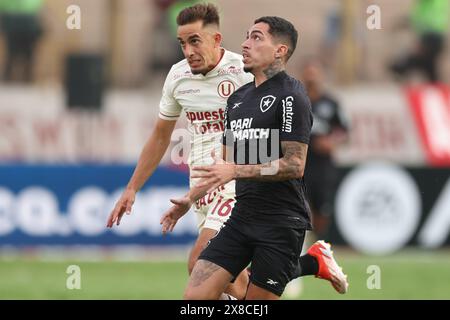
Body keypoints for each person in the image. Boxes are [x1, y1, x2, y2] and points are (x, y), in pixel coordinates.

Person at [162, 16, 348, 300]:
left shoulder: (292, 95)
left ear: (280, 50)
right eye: (247, 36)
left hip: (280, 223)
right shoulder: (238, 99)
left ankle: (313, 260)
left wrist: (235, 170)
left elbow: (294, 165)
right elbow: (222, 167)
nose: (245, 44)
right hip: (240, 219)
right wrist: (190, 198)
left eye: (257, 37)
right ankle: (313, 262)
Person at [106, 3, 253, 300]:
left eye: (195, 41)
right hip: (200, 190)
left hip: (236, 185)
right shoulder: (177, 77)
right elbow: (161, 136)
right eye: (182, 43)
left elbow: (271, 129)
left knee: (201, 263)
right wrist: (132, 188)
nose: (187, 51)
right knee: (233, 284)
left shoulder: (243, 73)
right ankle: (313, 262)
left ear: (216, 40)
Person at [301, 57, 349, 239]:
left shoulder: (331, 103)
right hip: (301, 162)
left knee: (323, 208)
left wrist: (332, 141)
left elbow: (344, 130)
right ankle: (302, 242)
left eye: (315, 73)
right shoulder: (296, 101)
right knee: (301, 205)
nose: (311, 77)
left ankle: (318, 240)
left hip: (323, 166)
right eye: (308, 73)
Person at [389, 0, 449, 83]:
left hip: (431, 35)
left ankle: (400, 69)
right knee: (429, 67)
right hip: (431, 34)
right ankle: (437, 88)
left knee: (423, 64)